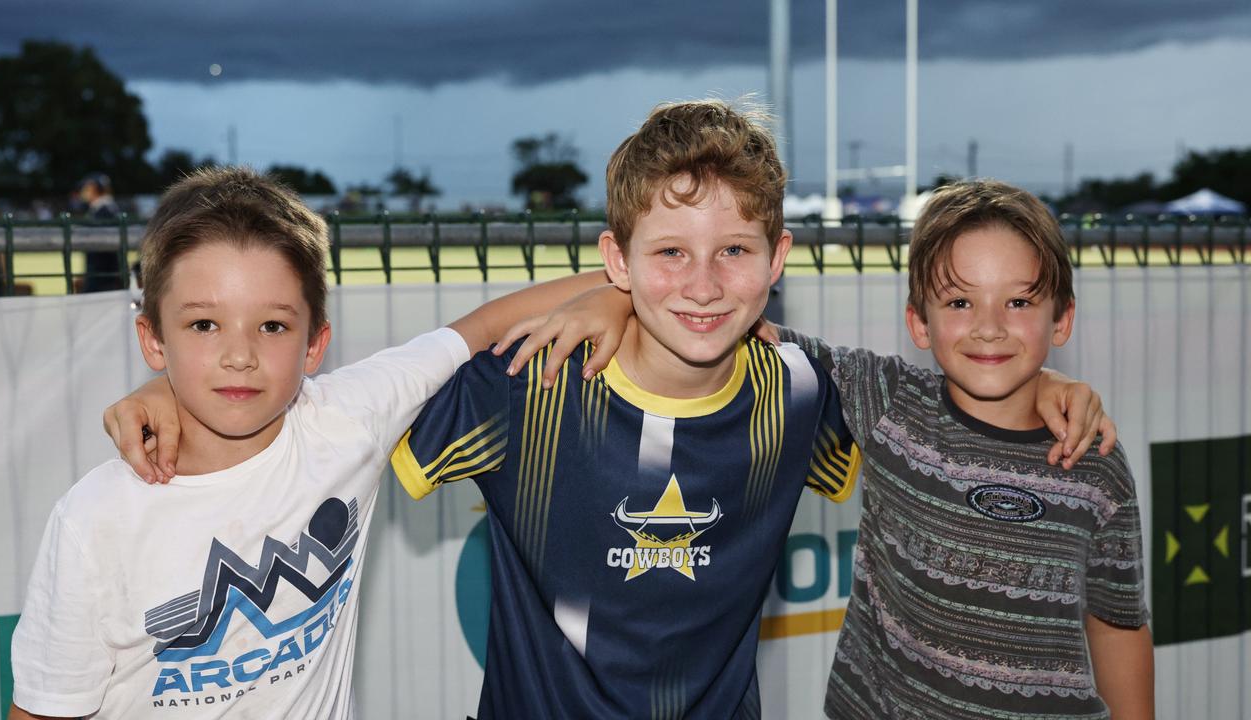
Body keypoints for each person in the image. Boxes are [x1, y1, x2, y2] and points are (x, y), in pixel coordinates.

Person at [104, 104, 1113, 717]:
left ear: (777, 262)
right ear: (615, 260)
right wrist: (179, 399)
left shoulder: (801, 392)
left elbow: (957, 390)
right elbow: (314, 428)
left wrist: (1043, 390)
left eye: (732, 253)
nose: (705, 284)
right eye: (668, 254)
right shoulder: (522, 386)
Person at [8, 166, 632, 719]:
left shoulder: (346, 420)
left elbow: (488, 326)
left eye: (272, 325)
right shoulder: (96, 519)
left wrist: (618, 295)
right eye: (204, 324)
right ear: (153, 339)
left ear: (314, 344)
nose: (238, 355)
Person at [781, 179, 1152, 719]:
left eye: (1019, 301)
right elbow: (740, 333)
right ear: (918, 321)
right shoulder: (887, 402)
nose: (989, 328)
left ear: (1063, 318)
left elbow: (1117, 621)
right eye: (959, 301)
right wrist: (615, 300)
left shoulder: (1094, 461)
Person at [77, 172, 125, 293]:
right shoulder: (106, 208)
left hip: (102, 277)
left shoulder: (104, 210)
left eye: (86, 187)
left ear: (94, 188)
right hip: (105, 275)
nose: (83, 191)